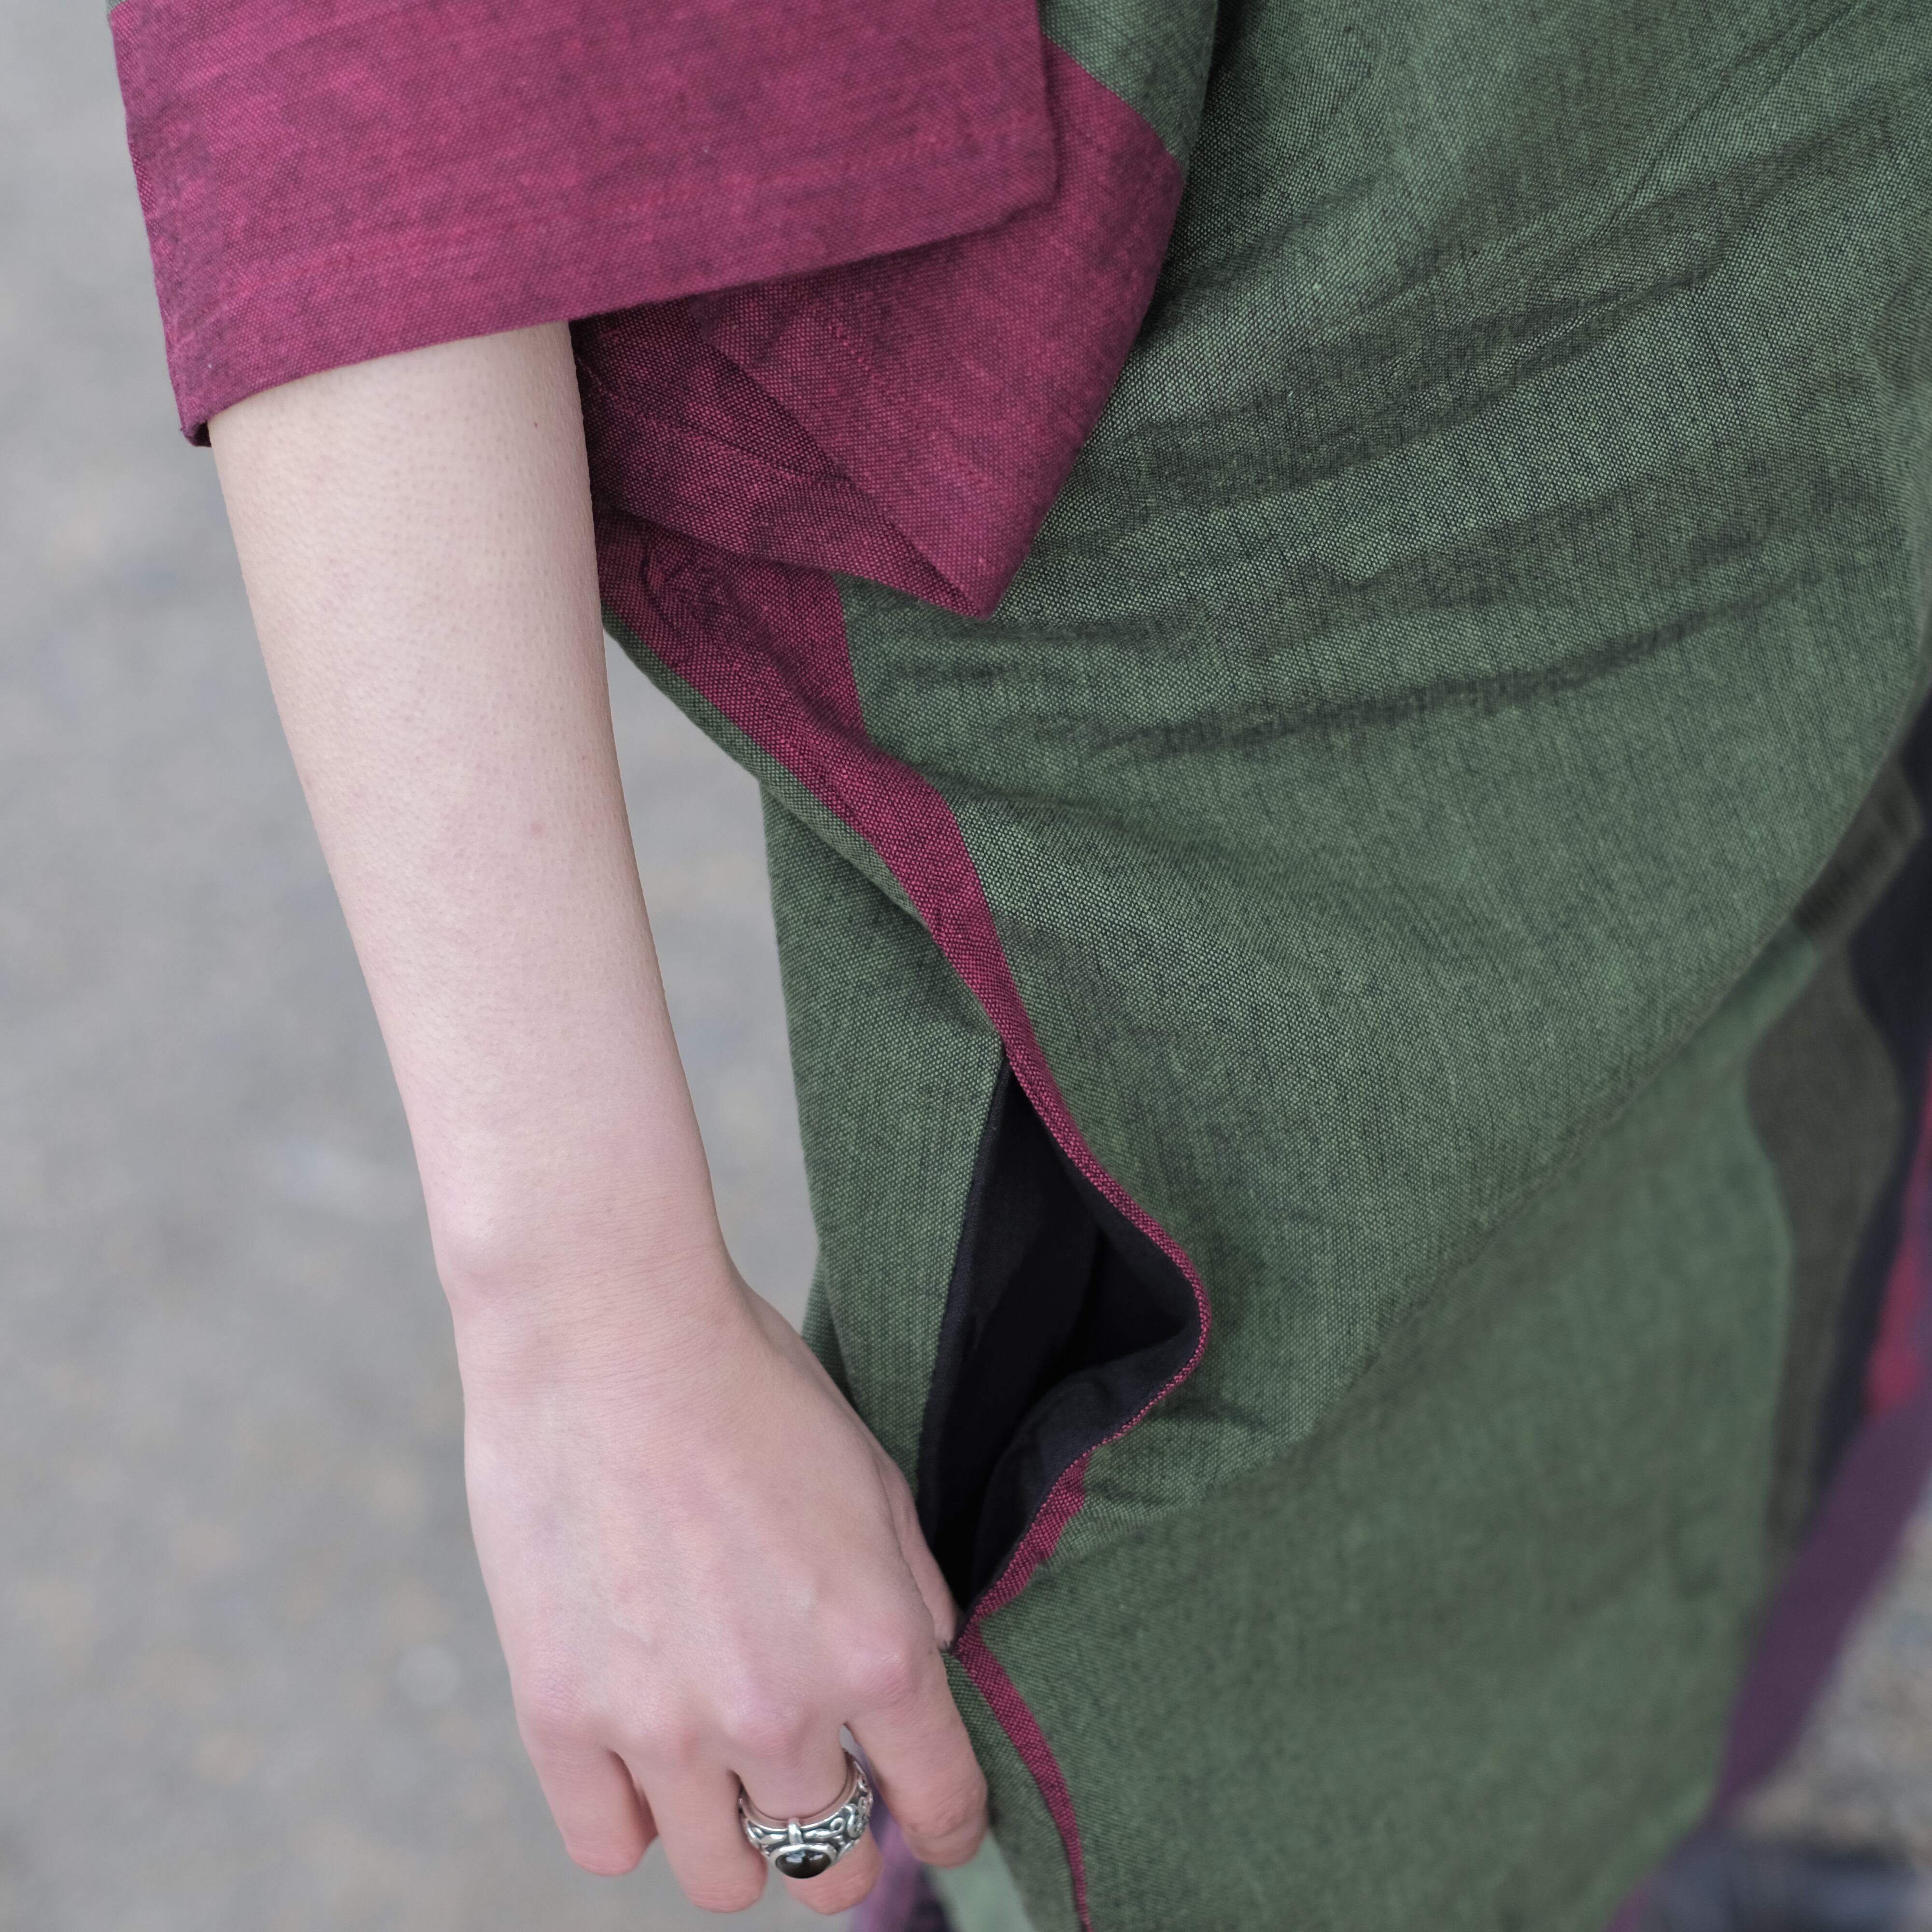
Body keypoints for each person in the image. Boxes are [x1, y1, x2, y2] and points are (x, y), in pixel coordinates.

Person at [108, 0, 1932, 1925]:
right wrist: (584, 1312)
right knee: (1199, 1672)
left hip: (1809, 351)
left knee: (1787, 1250)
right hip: (1258, 719)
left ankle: (1614, 1840)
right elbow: (349, 103)